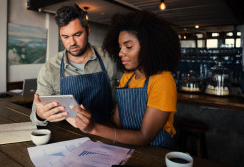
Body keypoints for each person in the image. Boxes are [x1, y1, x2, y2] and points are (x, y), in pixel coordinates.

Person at [72, 10, 181, 148]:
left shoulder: (162, 80)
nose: (120, 53)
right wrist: (89, 122)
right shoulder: (127, 78)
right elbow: (116, 124)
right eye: (120, 47)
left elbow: (145, 136)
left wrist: (94, 128)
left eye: (128, 46)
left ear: (149, 46)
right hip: (127, 149)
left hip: (156, 155)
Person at [30, 4, 117, 126]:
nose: (72, 42)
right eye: (65, 37)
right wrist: (40, 115)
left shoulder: (110, 59)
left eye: (77, 35)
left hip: (106, 134)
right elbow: (35, 116)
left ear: (88, 31)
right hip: (67, 137)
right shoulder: (50, 68)